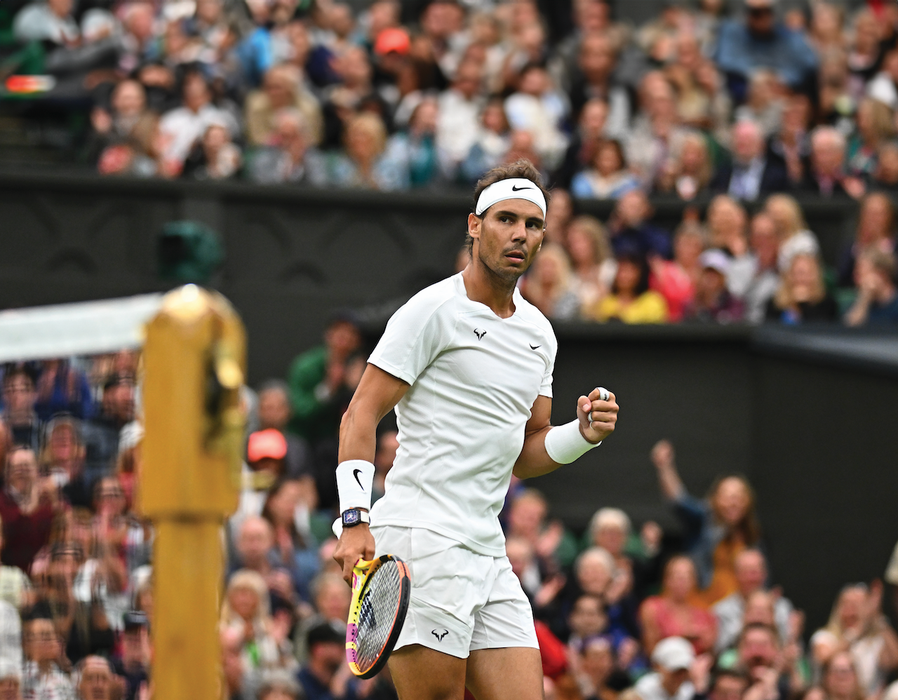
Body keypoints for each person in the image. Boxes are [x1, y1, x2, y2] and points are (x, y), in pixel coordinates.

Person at [333, 159, 619, 700]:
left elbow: (525, 453)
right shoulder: (432, 310)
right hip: (421, 539)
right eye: (506, 219)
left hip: (487, 549)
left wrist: (582, 435)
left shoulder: (540, 334)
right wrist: (354, 520)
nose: (520, 234)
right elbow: (359, 414)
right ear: (475, 225)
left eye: (533, 224)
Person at [650, 440, 761, 606]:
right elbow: (679, 500)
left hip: (738, 608)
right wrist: (665, 466)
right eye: (727, 497)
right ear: (716, 499)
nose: (733, 502)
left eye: (739, 497)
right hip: (701, 602)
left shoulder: (752, 534)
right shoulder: (705, 519)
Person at [712, 549, 794, 652]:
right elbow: (716, 650)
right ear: (735, 576)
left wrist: (774, 624)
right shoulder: (721, 611)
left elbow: (793, 649)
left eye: (755, 572)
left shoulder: (781, 606)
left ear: (764, 574)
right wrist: (744, 623)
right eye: (745, 572)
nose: (751, 578)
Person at [844, 249, 898, 326]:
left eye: (860, 274)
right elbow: (849, 329)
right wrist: (864, 299)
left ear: (881, 274)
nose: (856, 280)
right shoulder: (856, 302)